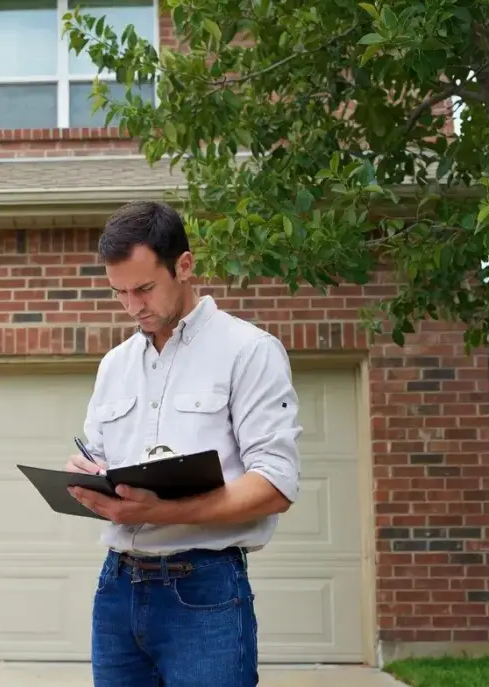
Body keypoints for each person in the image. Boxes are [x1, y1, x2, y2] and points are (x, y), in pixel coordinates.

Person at [65, 200, 302, 687]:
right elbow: (106, 462)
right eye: (120, 293)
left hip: (204, 589)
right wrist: (93, 483)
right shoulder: (115, 365)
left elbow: (276, 484)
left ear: (185, 266)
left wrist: (158, 512)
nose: (133, 306)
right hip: (116, 588)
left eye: (145, 289)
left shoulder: (249, 351)